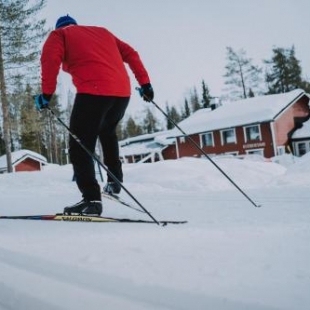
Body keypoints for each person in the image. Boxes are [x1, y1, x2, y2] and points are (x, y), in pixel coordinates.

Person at [34, 15, 154, 216]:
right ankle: (115, 183)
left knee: (80, 145)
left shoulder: (60, 34)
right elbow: (131, 54)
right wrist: (146, 84)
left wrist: (46, 94)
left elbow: (50, 59)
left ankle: (92, 200)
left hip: (94, 92)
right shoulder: (102, 32)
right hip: (122, 94)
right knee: (107, 132)